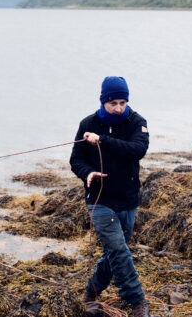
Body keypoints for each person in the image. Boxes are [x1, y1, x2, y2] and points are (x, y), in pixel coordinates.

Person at [69, 76, 150, 317]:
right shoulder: (88, 123)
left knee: (115, 252)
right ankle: (137, 300)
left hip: (128, 199)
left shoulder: (137, 122)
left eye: (122, 103)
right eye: (113, 103)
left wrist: (102, 140)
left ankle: (91, 291)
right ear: (103, 101)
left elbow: (138, 150)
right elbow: (76, 160)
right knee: (116, 248)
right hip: (99, 200)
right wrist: (88, 173)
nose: (118, 108)